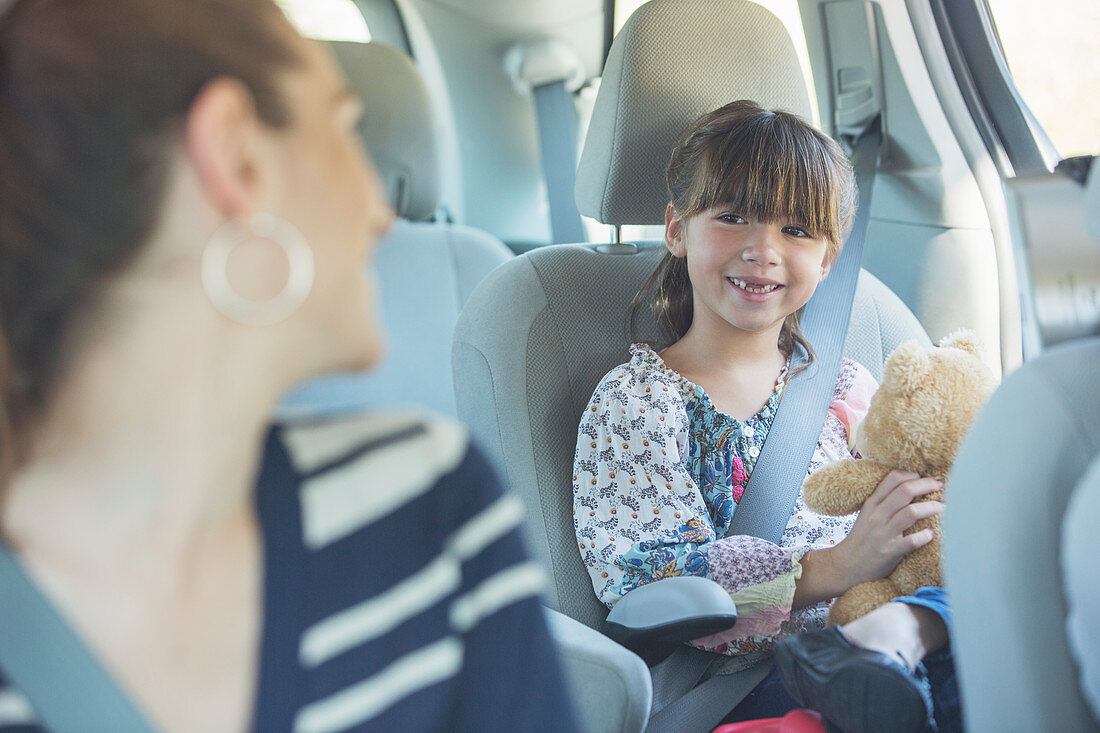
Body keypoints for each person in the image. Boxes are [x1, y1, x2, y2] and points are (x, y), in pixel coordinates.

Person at [0, 0, 578, 730]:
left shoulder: (435, 510)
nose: (379, 209)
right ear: (237, 155)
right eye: (343, 127)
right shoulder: (421, 517)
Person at [572, 100, 958, 732]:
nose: (762, 250)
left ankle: (897, 633)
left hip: (883, 637)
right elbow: (653, 578)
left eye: (797, 230)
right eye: (732, 217)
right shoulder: (639, 401)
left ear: (828, 258)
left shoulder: (846, 385)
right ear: (677, 229)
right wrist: (838, 567)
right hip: (746, 682)